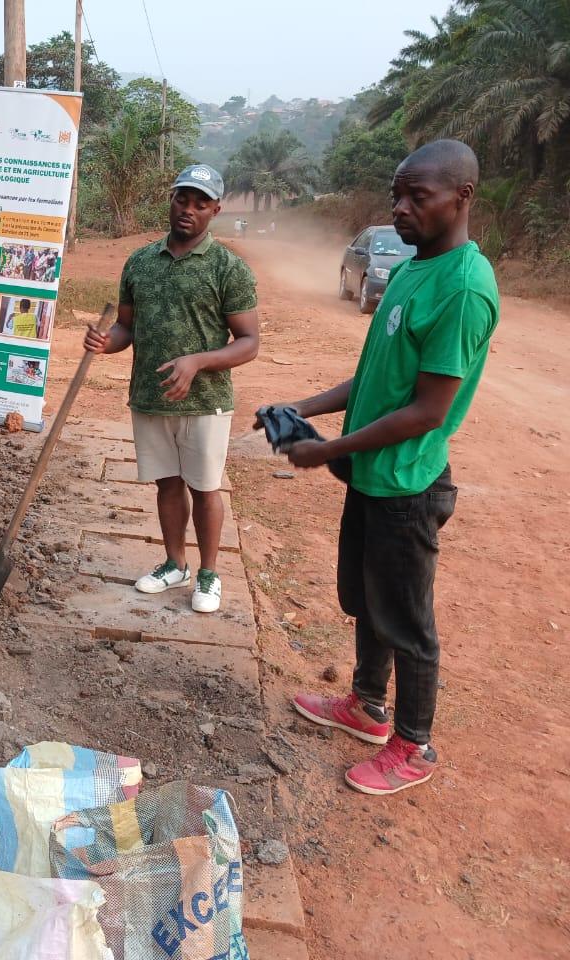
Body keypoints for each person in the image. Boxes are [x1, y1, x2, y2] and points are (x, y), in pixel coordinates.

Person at [261, 139, 498, 796]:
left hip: (408, 485)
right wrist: (299, 406)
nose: (399, 208)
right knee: (368, 601)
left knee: (407, 620)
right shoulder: (413, 270)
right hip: (372, 475)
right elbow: (372, 377)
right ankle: (367, 705)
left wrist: (326, 450)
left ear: (462, 197)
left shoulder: (463, 288)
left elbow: (427, 410)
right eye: (396, 195)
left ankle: (415, 745)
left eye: (416, 197)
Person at [84, 164, 259, 613]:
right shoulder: (140, 262)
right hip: (149, 395)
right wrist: (107, 343)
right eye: (183, 198)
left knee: (205, 487)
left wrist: (198, 361)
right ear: (171, 199)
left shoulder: (228, 269)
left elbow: (249, 342)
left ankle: (209, 574)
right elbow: (127, 327)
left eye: (201, 203)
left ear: (215, 210)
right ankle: (175, 563)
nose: (189, 209)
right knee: (167, 483)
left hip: (205, 402)